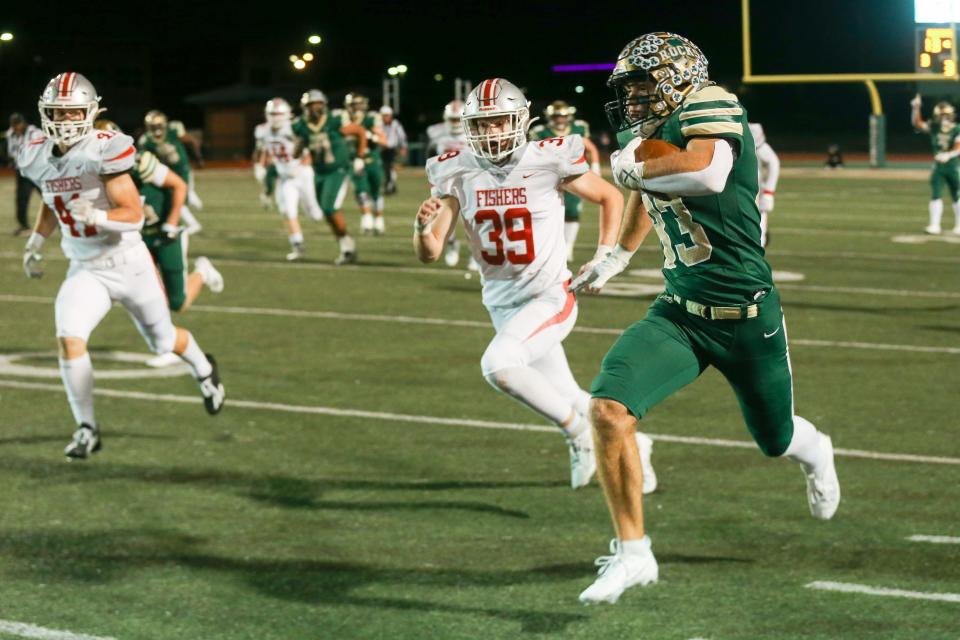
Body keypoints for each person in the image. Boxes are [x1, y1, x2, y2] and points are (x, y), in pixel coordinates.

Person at [570, 33, 840, 605]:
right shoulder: (642, 138)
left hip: (746, 317)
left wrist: (631, 164)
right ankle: (633, 553)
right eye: (631, 87)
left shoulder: (711, 103)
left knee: (776, 438)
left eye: (644, 84)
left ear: (680, 78)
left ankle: (817, 450)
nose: (635, 98)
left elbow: (705, 173)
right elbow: (649, 189)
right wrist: (617, 255)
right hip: (681, 312)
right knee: (607, 409)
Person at [414, 78, 655, 492]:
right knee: (567, 393)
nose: (490, 132)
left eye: (498, 121)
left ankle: (578, 435)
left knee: (499, 365)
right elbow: (431, 252)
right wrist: (420, 229)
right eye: (482, 124)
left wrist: (603, 255)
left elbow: (611, 198)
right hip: (501, 303)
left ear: (520, 120)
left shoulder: (549, 158)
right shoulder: (455, 169)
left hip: (548, 295)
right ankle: (640, 445)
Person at [19, 72, 225, 459]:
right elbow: (52, 202)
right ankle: (87, 428)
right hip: (85, 268)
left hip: (128, 264)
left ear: (91, 112)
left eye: (73, 112)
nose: (64, 122)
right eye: (57, 113)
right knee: (69, 338)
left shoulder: (104, 149)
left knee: (163, 341)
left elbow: (133, 215)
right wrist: (35, 241)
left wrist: (98, 218)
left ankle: (203, 367)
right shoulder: (41, 154)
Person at [291, 89, 366, 264]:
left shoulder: (335, 120)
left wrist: (359, 158)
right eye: (310, 106)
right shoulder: (301, 126)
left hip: (338, 169)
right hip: (319, 172)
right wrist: (299, 144)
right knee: (327, 212)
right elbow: (295, 154)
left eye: (317, 105)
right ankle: (346, 246)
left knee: (329, 208)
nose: (313, 109)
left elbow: (360, 132)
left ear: (324, 105)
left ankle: (347, 247)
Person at [530, 101, 603, 261]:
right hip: (549, 177)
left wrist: (595, 167)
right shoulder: (540, 132)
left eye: (562, 116)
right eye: (556, 116)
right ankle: (549, 247)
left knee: (572, 212)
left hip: (573, 175)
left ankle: (567, 247)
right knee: (544, 213)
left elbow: (590, 148)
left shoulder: (578, 128)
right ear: (550, 116)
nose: (559, 120)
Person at [256, 98, 325, 261]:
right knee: (287, 210)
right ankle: (298, 245)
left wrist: (301, 164)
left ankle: (318, 209)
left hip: (303, 173)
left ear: (287, 115)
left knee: (315, 214)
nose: (275, 117)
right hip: (286, 177)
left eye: (279, 114)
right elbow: (264, 151)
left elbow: (309, 152)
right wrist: (260, 166)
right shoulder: (262, 130)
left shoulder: (295, 127)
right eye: (272, 114)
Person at [426, 100, 476, 270]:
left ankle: (474, 254)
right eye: (452, 119)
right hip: (446, 184)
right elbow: (430, 157)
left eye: (458, 120)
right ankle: (451, 245)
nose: (455, 123)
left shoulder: (475, 132)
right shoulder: (436, 132)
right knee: (444, 218)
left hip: (469, 182)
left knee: (472, 220)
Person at [140, 110, 204, 234]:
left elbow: (191, 142)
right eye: (152, 127)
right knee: (176, 196)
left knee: (178, 195)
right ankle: (192, 211)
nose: (155, 129)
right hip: (167, 171)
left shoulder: (174, 129)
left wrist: (198, 158)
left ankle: (192, 216)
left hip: (182, 168)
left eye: (157, 126)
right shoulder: (146, 140)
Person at [911, 94, 960, 235]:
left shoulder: (957, 129)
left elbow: (958, 147)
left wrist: (948, 154)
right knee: (936, 194)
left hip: (953, 166)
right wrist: (916, 108)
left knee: (957, 195)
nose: (944, 118)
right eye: (941, 115)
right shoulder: (934, 127)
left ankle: (959, 226)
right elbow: (917, 124)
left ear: (951, 115)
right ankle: (934, 225)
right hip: (938, 166)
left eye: (946, 115)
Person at [344, 93, 388, 235]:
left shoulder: (371, 119)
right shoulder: (344, 120)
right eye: (353, 105)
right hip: (354, 160)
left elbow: (384, 141)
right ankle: (367, 218)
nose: (356, 108)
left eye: (358, 104)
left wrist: (371, 136)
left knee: (376, 192)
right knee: (361, 191)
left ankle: (379, 219)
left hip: (372, 159)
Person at [5, 113, 43, 235]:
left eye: (18, 124)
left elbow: (39, 150)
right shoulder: (11, 134)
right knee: (21, 199)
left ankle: (64, 224)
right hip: (22, 172)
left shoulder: (34, 133)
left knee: (49, 197)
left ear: (23, 122)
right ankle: (24, 226)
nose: (16, 127)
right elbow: (12, 152)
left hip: (37, 170)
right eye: (14, 124)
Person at [748, 122, 780, 247]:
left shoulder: (751, 128)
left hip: (752, 194)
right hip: (728, 194)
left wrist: (768, 193)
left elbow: (773, 161)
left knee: (756, 242)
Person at [379, 105, 407, 195]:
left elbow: (401, 136)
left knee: (389, 168)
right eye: (384, 115)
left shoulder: (396, 124)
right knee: (386, 169)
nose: (385, 117)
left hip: (392, 149)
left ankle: (389, 187)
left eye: (387, 115)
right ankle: (392, 187)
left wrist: (403, 147)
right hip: (382, 149)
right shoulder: (379, 124)